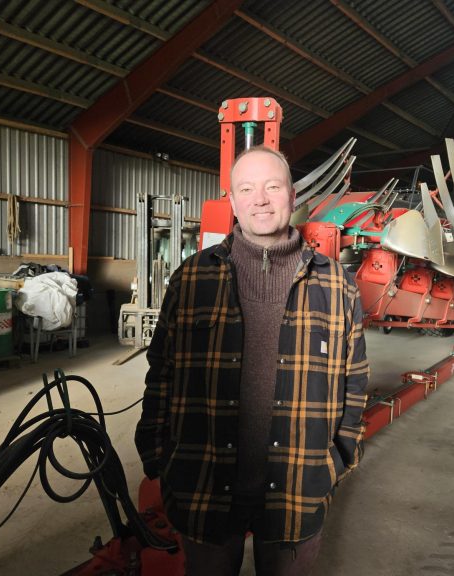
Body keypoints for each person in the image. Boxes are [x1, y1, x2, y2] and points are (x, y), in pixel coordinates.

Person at [135, 145, 369, 576]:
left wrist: (338, 460)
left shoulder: (338, 286)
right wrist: (157, 456)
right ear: (233, 200)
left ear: (292, 196)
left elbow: (354, 383)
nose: (259, 199)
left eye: (272, 187)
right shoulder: (191, 278)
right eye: (246, 189)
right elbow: (161, 373)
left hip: (298, 492)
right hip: (203, 486)